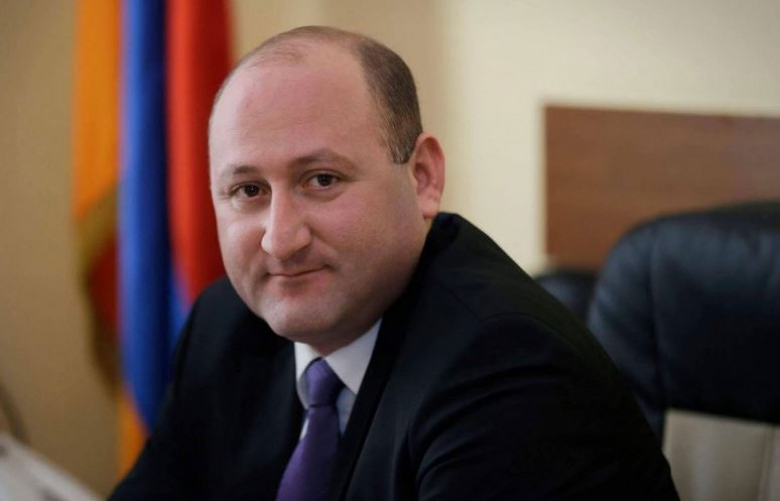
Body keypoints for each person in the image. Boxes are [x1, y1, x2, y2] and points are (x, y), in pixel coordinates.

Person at [110, 26, 677, 500]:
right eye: (248, 191)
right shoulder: (225, 323)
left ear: (423, 177)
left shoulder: (508, 370)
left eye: (322, 180)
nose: (280, 241)